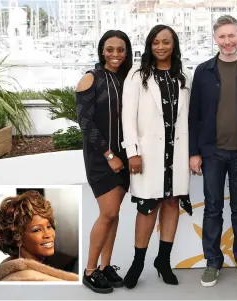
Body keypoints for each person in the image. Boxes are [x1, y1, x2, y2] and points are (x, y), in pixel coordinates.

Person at [189, 15, 237, 287]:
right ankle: (213, 262)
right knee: (212, 208)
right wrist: (194, 152)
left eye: (231, 36)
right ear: (215, 39)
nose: (227, 41)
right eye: (222, 36)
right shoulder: (203, 71)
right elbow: (194, 114)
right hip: (211, 152)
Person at [121, 25, 193, 289]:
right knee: (148, 206)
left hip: (177, 152)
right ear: (150, 46)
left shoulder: (184, 76)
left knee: (172, 202)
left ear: (174, 46)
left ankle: (163, 261)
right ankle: (138, 263)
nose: (160, 47)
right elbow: (127, 118)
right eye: (155, 42)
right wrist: (133, 152)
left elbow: (188, 117)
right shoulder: (138, 76)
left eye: (166, 42)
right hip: (148, 154)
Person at [76, 30, 133, 293]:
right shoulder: (91, 78)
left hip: (123, 155)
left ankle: (105, 266)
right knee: (107, 213)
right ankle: (89, 270)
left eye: (120, 50)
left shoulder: (127, 78)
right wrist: (108, 155)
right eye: (110, 49)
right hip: (102, 157)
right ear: (102, 50)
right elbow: (86, 124)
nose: (115, 54)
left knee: (115, 214)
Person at [0, 190, 79, 281]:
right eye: (37, 230)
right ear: (17, 237)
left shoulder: (11, 271)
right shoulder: (29, 279)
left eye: (49, 226)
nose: (48, 234)